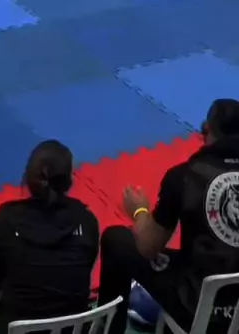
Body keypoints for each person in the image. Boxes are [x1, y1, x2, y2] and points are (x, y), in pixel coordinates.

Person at [98, 99, 239, 334]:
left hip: (199, 310)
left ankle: (109, 329)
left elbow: (148, 248)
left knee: (116, 239)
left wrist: (139, 211)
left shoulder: (184, 176)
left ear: (207, 130)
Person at [0, 140, 99, 334]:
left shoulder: (6, 221)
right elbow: (86, 272)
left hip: (17, 329)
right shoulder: (86, 221)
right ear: (68, 181)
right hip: (72, 329)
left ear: (28, 178)